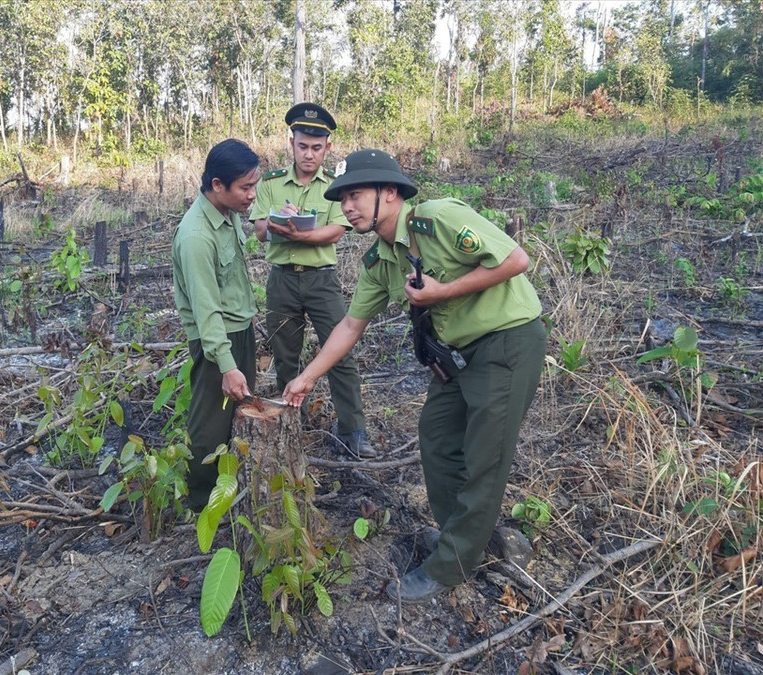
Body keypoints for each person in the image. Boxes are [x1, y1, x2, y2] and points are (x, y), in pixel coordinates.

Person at [283, 149, 546, 602]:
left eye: (356, 194)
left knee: (485, 458)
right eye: (342, 198)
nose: (347, 206)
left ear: (390, 192)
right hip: (457, 355)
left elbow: (516, 259)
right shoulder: (381, 258)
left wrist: (444, 291)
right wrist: (307, 377)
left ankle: (453, 564)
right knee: (437, 436)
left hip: (507, 342)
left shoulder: (437, 219)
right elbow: (350, 326)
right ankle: (458, 536)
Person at [249, 103, 375, 459]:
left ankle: (354, 430)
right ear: (291, 143)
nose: (309, 154)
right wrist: (278, 225)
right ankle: (294, 423)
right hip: (282, 281)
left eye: (316, 148)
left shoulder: (337, 187)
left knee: (340, 354)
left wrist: (293, 232)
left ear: (327, 148)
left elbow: (335, 232)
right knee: (286, 357)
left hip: (322, 281)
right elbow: (260, 230)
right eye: (302, 146)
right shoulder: (271, 183)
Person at [172, 139, 261, 512]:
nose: (252, 195)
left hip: (239, 331)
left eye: (255, 185)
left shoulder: (226, 213)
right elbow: (207, 312)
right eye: (246, 187)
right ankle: (199, 505)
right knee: (210, 426)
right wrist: (226, 365)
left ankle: (233, 492)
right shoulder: (196, 236)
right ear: (218, 185)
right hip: (216, 343)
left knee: (238, 417)